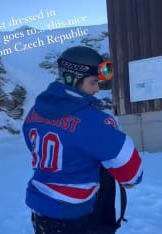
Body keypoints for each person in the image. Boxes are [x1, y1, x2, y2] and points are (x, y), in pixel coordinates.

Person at [22, 46, 143, 234]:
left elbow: (31, 141)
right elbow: (129, 165)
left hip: (40, 209)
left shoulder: (35, 111)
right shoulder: (92, 120)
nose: (97, 89)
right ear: (72, 79)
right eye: (93, 82)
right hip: (73, 216)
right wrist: (130, 179)